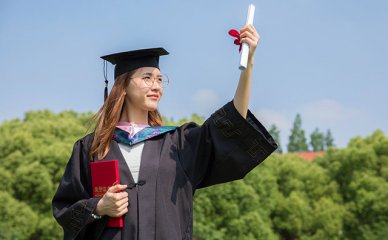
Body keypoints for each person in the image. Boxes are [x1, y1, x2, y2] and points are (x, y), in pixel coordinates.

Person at [52, 24, 278, 240]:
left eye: (160, 79)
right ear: (124, 86)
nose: (156, 85)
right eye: (147, 78)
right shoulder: (91, 148)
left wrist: (248, 63)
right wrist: (99, 207)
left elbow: (232, 123)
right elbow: (65, 211)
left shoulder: (178, 143)